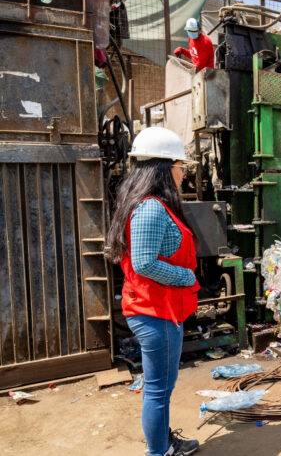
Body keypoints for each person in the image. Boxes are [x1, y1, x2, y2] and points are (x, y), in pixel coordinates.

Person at [105, 127, 201, 456]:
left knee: (162, 390)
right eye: (179, 165)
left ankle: (163, 441)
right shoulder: (151, 209)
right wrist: (186, 277)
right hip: (155, 313)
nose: (183, 172)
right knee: (158, 392)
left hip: (160, 310)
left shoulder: (153, 206)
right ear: (163, 168)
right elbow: (145, 264)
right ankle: (158, 452)